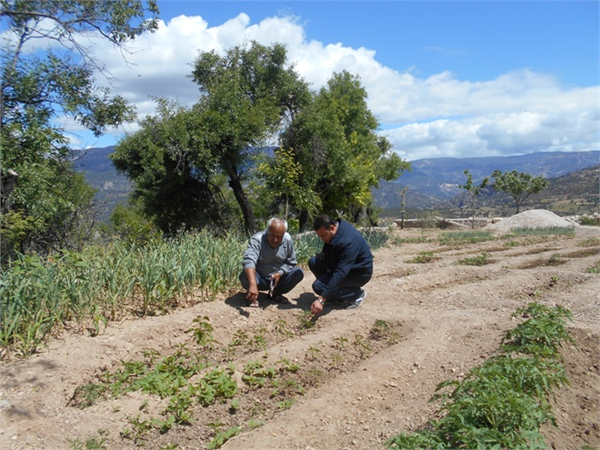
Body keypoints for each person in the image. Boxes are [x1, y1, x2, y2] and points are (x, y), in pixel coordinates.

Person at [309, 214, 373, 316]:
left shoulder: (348, 242)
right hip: (342, 265)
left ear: (332, 228)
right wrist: (324, 253)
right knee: (313, 262)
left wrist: (322, 298)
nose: (322, 239)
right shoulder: (337, 229)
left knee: (318, 286)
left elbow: (341, 272)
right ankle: (336, 296)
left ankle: (356, 295)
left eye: (323, 236)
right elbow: (331, 245)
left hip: (358, 273)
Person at [239, 217, 304, 307]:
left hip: (277, 279)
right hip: (259, 278)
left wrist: (280, 273)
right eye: (272, 235)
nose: (275, 240)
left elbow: (291, 262)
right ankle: (253, 296)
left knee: (298, 272)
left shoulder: (288, 240)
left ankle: (275, 293)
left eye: (279, 237)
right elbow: (249, 260)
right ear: (267, 231)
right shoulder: (257, 240)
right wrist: (253, 283)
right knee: (245, 273)